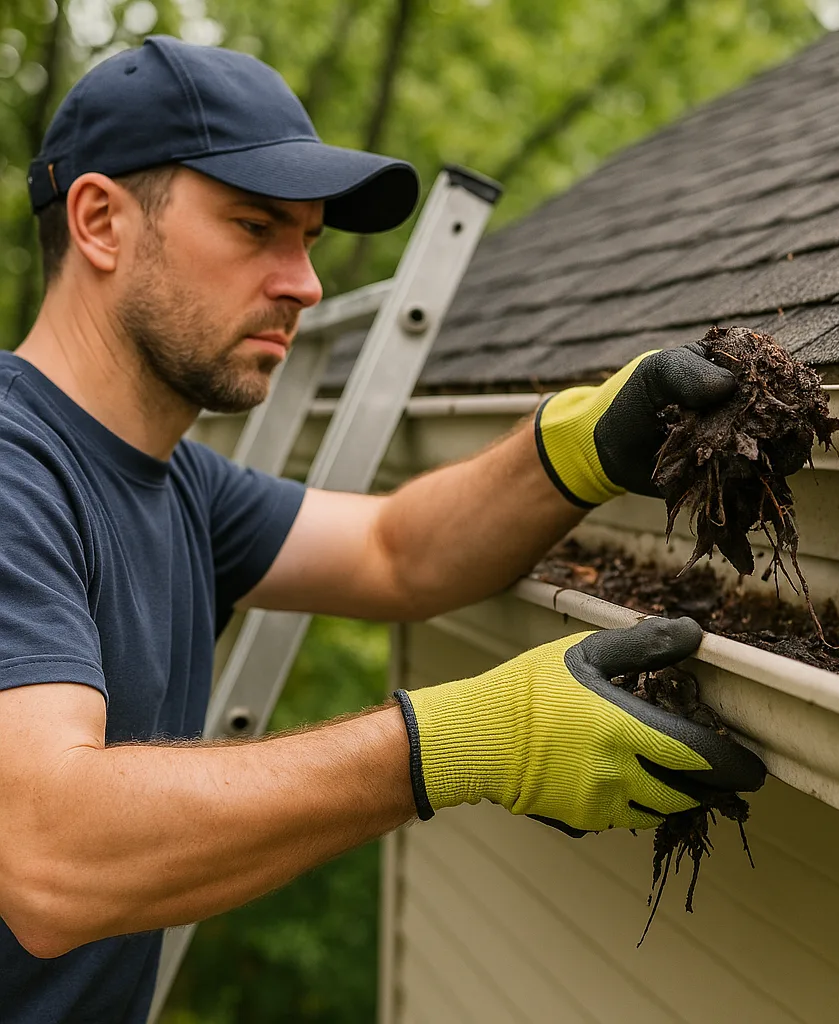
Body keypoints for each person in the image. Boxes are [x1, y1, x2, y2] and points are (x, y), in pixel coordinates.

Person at [0, 35, 765, 1024]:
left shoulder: (171, 479)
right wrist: (464, 742)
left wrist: (577, 448)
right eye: (255, 227)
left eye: (309, 241)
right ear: (101, 221)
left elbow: (395, 551)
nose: (305, 283)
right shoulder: (16, 470)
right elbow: (50, 854)